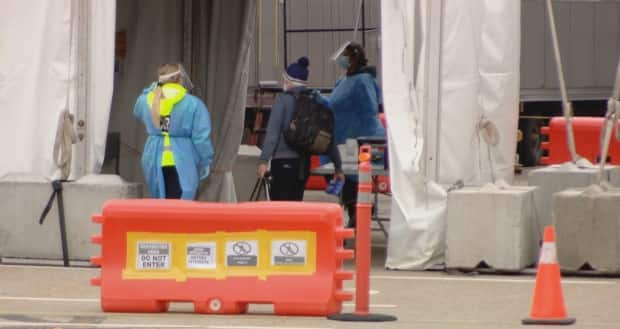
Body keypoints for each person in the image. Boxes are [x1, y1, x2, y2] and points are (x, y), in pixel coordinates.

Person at [258, 57, 345, 201]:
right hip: (303, 166)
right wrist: (338, 167)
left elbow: (272, 134)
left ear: (288, 80)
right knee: (296, 211)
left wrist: (263, 161)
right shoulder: (315, 100)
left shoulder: (282, 100)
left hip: (282, 163)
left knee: (280, 212)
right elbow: (328, 138)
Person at [324, 42, 386, 228]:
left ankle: (360, 210)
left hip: (363, 140)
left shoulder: (363, 81)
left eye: (344, 57)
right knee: (340, 175)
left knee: (353, 175)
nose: (340, 61)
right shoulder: (344, 80)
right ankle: (355, 210)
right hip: (345, 140)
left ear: (351, 59)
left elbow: (370, 109)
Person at [134, 63, 214, 200]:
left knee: (160, 206)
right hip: (182, 160)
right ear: (180, 79)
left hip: (154, 158)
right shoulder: (193, 104)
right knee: (180, 209)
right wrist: (206, 160)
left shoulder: (145, 101)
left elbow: (139, 112)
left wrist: (147, 91)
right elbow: (201, 138)